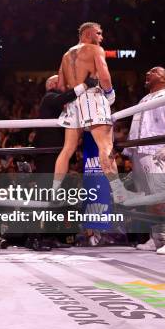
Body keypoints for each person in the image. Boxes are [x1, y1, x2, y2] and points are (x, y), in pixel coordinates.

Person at [52, 22, 136, 203]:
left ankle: (54, 191)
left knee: (67, 149)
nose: (101, 37)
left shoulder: (66, 54)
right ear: (88, 33)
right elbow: (104, 76)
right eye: (98, 33)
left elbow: (60, 86)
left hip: (72, 101)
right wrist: (110, 93)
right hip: (92, 97)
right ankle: (119, 191)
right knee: (105, 146)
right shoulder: (95, 50)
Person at [30, 73, 99, 250]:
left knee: (56, 197)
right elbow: (64, 96)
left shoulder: (61, 103)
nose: (66, 83)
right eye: (61, 81)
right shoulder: (49, 97)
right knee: (45, 195)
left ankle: (51, 235)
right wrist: (84, 85)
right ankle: (36, 238)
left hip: (57, 153)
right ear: (53, 84)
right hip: (48, 153)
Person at [122, 66, 165, 255]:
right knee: (148, 197)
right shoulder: (144, 99)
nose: (147, 73)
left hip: (156, 152)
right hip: (140, 151)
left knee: (160, 193)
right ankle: (158, 238)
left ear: (164, 78)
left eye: (153, 71)